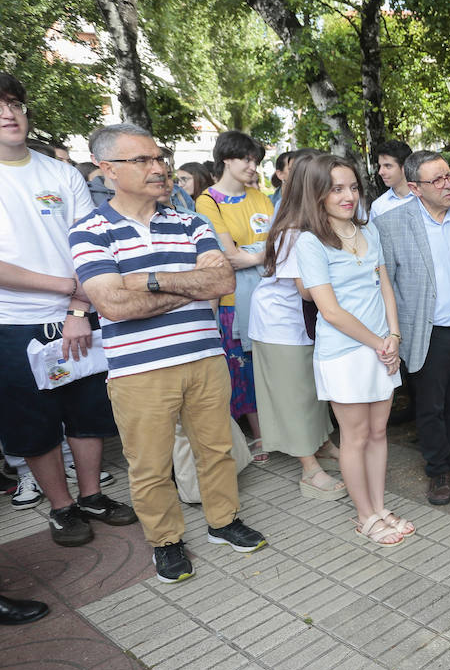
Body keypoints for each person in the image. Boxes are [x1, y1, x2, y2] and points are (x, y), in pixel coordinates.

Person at [71, 123, 267, 583]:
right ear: (107, 170)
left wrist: (150, 280)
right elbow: (112, 303)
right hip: (139, 371)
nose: (159, 168)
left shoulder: (191, 221)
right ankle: (166, 541)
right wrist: (186, 285)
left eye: (159, 158)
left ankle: (223, 522)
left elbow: (221, 282)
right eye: (143, 160)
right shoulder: (91, 230)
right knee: (150, 465)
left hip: (203, 358)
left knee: (216, 449)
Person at [0, 73, 133, 547]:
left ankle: (93, 495)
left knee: (88, 411)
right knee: (35, 423)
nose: (8, 113)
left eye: (15, 102)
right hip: (13, 322)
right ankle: (62, 507)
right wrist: (62, 286)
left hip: (80, 313)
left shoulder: (59, 172)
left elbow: (89, 243)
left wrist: (78, 304)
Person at [294, 154, 408, 545]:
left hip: (382, 347)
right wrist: (380, 343)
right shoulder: (309, 242)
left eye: (353, 187)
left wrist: (394, 336)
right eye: (337, 188)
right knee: (355, 436)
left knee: (379, 433)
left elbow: (385, 287)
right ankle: (365, 516)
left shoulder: (369, 230)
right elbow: (329, 310)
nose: (348, 196)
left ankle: (379, 506)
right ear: (317, 193)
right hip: (346, 353)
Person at [376, 151, 450, 504]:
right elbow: (388, 285)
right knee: (430, 406)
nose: (447, 185)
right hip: (426, 331)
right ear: (414, 187)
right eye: (436, 180)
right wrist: (394, 333)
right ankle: (438, 470)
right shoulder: (392, 224)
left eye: (449, 177)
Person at [249, 153, 345, 502]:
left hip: (302, 324)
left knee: (311, 392)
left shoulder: (309, 225)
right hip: (280, 326)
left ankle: (321, 445)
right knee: (295, 396)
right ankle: (309, 469)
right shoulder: (294, 231)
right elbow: (308, 289)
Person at [196, 131, 273, 462]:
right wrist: (264, 254)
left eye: (256, 160)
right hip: (232, 302)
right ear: (227, 158)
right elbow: (228, 255)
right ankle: (259, 435)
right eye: (247, 159)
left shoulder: (261, 197)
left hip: (272, 296)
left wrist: (253, 255)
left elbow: (283, 243)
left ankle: (279, 428)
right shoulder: (207, 201)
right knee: (244, 371)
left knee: (271, 366)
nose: (253, 166)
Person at [369, 140, 414, 218]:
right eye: (380, 166)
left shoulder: (425, 197)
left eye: (387, 166)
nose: (380, 172)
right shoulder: (378, 207)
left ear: (405, 167)